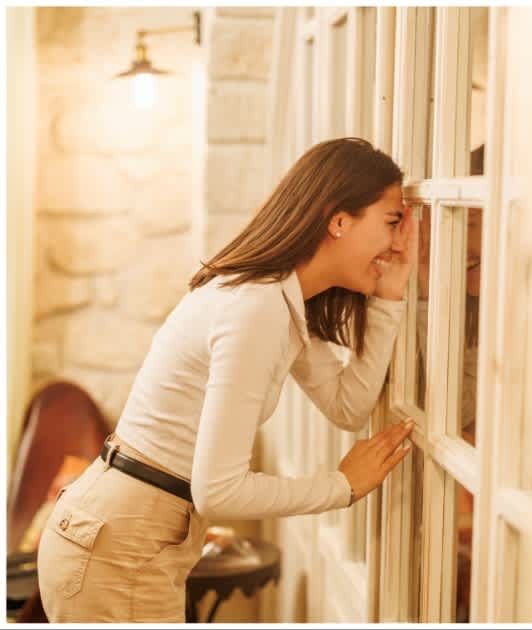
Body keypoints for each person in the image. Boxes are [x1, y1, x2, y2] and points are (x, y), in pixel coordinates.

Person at [36, 137, 418, 622]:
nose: (397, 243)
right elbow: (217, 491)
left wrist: (388, 298)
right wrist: (340, 487)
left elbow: (348, 405)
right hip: (119, 551)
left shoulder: (277, 300)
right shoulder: (256, 308)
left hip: (125, 538)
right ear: (339, 220)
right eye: (392, 222)